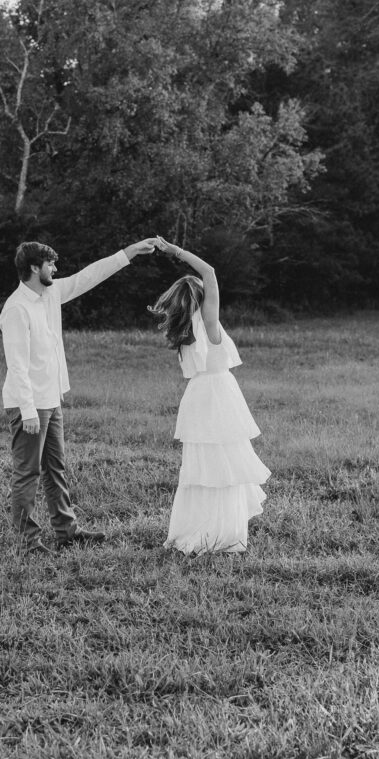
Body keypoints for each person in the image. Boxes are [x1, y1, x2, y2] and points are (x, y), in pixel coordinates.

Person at [0, 237, 156, 554]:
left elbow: (89, 276)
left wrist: (129, 252)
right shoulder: (16, 309)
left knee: (55, 469)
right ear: (34, 268)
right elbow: (17, 366)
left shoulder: (51, 293)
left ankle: (67, 532)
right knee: (28, 473)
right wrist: (28, 411)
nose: (55, 269)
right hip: (29, 404)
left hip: (50, 399)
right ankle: (27, 543)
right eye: (50, 264)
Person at [149, 236, 270, 554]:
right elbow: (210, 272)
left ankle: (199, 528)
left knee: (203, 468)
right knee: (225, 467)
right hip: (218, 395)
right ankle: (222, 533)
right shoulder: (208, 324)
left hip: (197, 397)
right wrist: (175, 251)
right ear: (203, 299)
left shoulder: (183, 331)